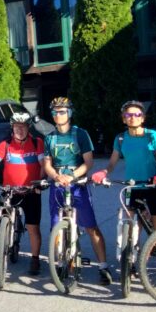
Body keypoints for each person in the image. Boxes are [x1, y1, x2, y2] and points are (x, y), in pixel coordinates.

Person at [91, 100, 156, 283]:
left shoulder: (152, 135)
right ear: (123, 118)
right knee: (129, 227)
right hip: (131, 187)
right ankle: (130, 263)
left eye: (137, 115)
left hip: (151, 186)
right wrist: (103, 172)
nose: (133, 118)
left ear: (142, 118)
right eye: (128, 115)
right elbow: (112, 163)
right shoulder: (120, 138)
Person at [42, 97, 113, 286]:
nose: (58, 115)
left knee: (91, 226)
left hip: (77, 184)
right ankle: (61, 263)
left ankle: (103, 266)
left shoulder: (80, 134)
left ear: (69, 113)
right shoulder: (50, 137)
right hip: (57, 185)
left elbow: (88, 162)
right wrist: (56, 176)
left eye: (62, 111)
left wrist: (72, 176)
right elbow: (47, 164)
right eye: (55, 112)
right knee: (55, 228)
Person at [0, 112, 46, 276]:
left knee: (33, 228)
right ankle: (3, 243)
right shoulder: (6, 144)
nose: (20, 130)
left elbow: (43, 165)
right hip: (10, 190)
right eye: (16, 127)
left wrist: (40, 181)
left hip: (31, 190)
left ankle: (35, 259)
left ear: (28, 128)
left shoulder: (37, 143)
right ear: (12, 128)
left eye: (23, 127)